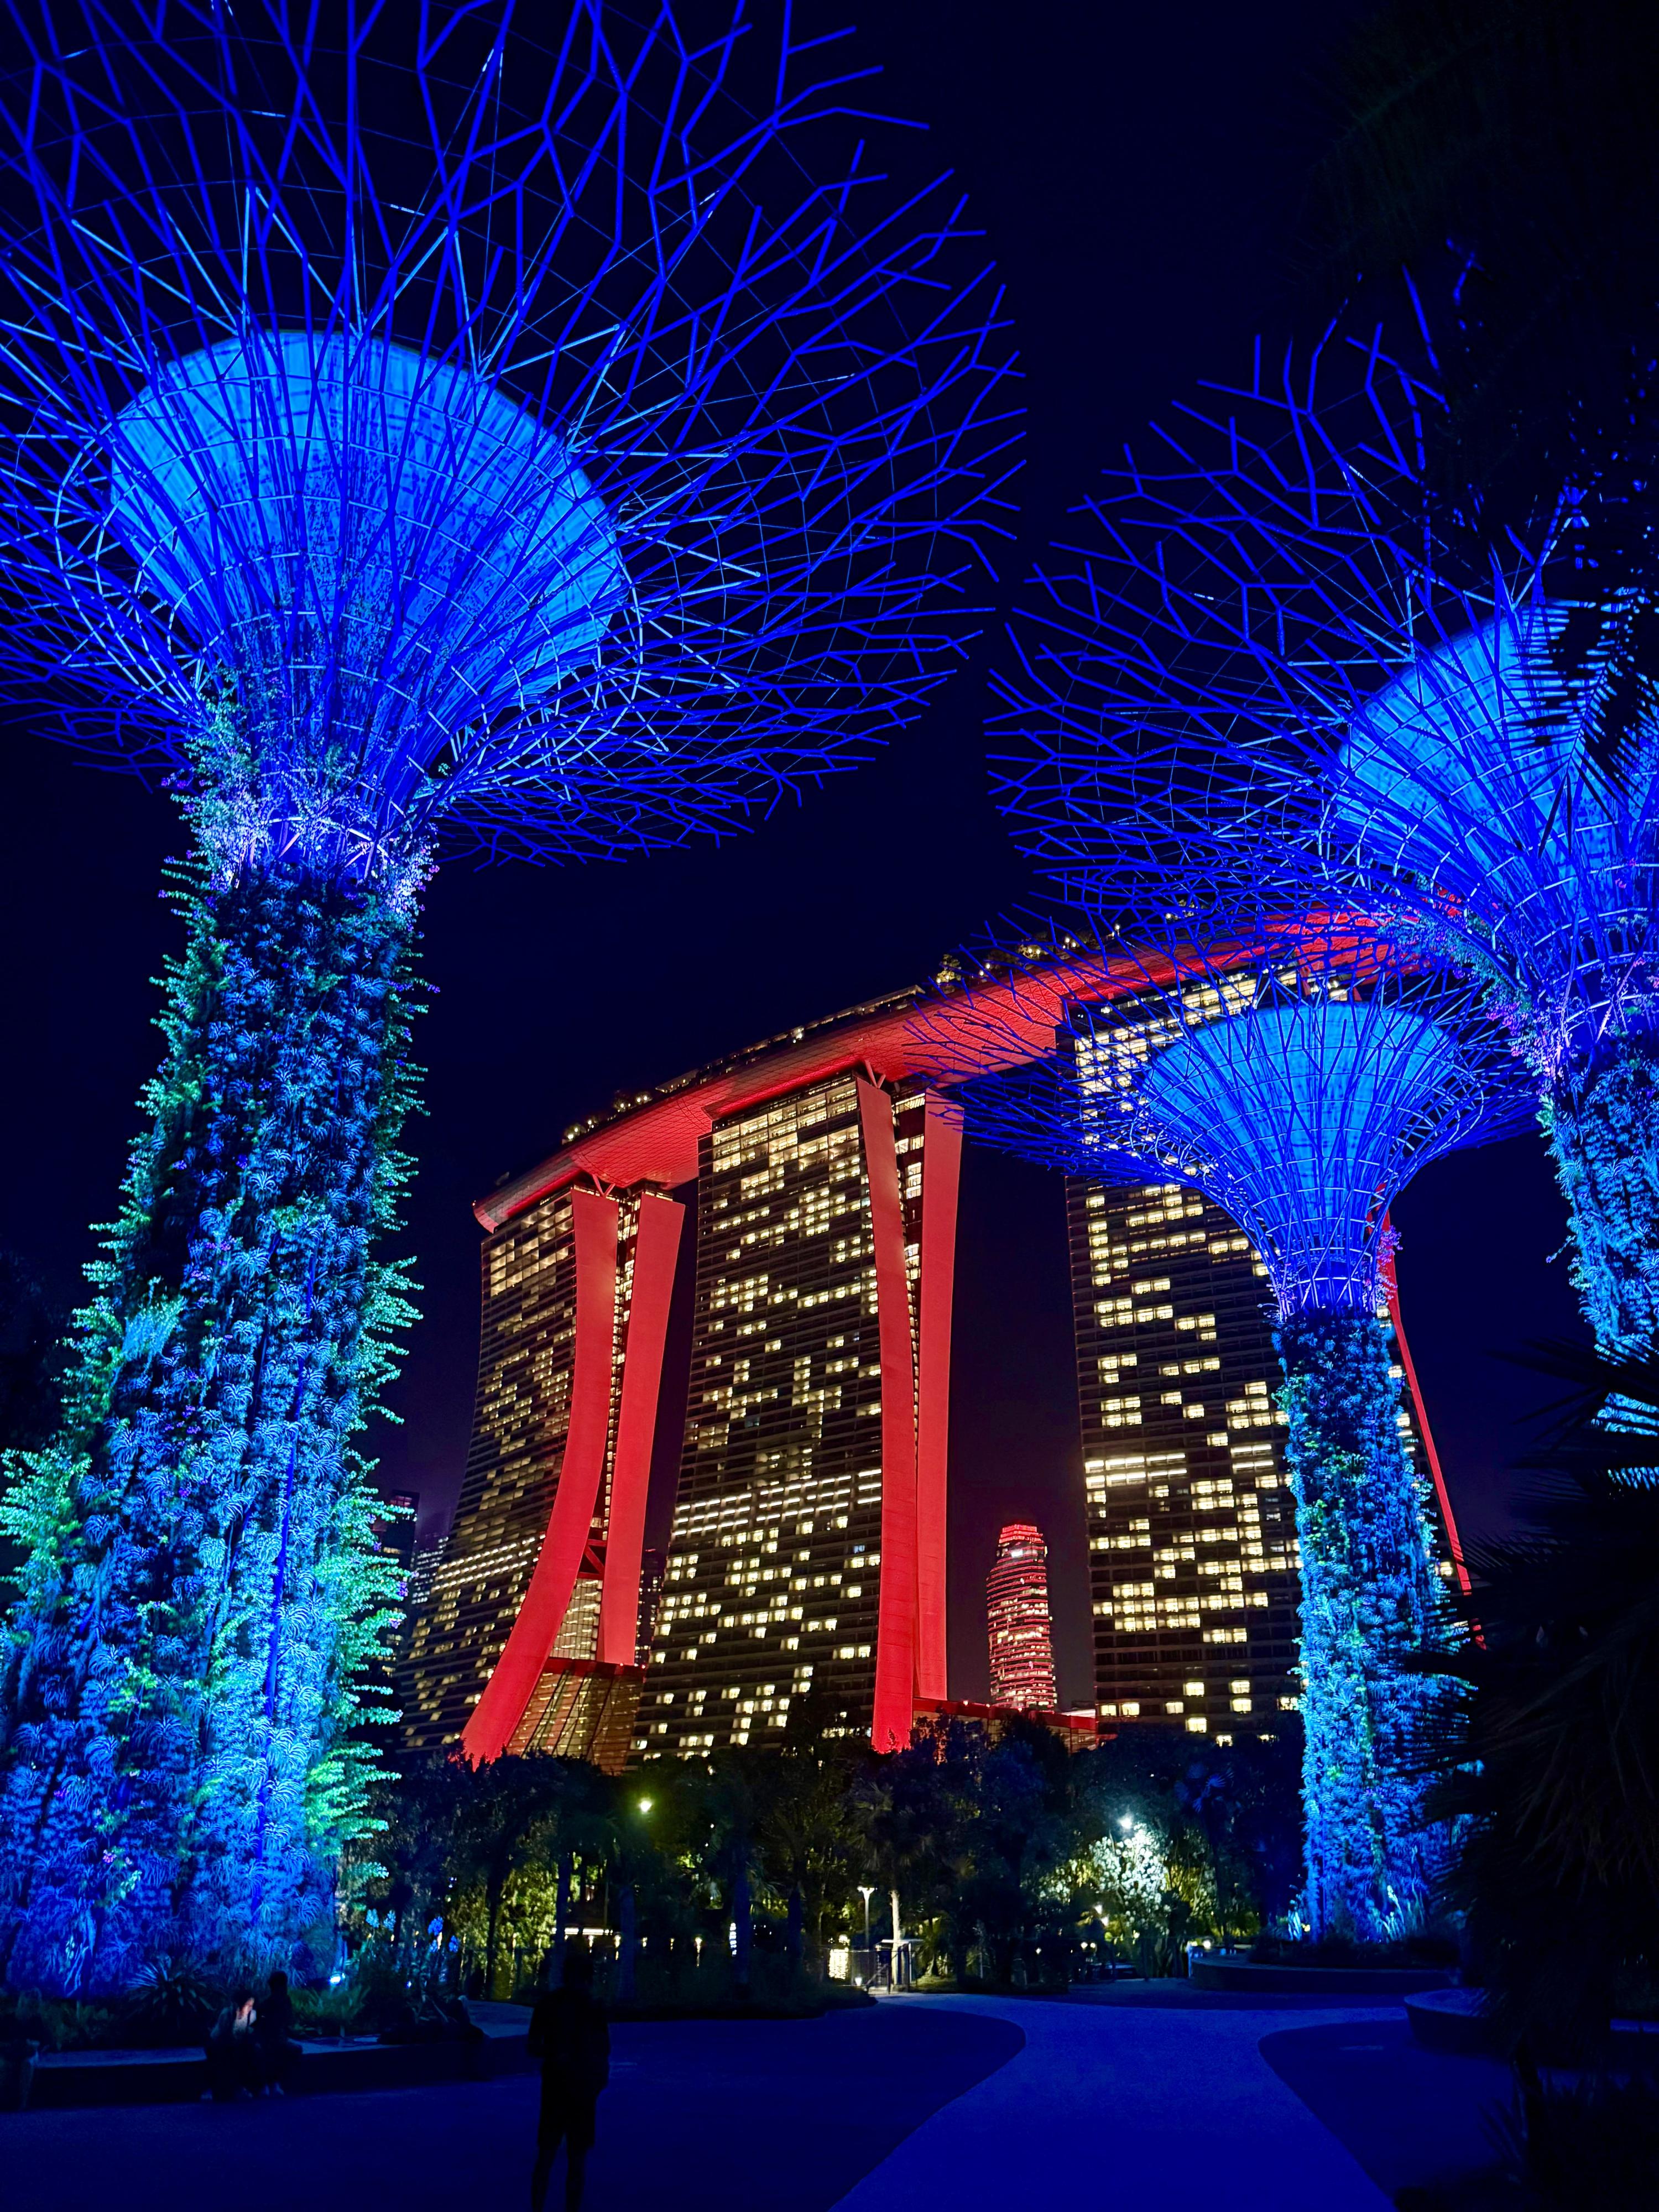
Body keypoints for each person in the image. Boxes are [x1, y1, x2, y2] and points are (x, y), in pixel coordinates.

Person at [527, 1942, 609, 2212]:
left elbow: (533, 2046)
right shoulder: (591, 2008)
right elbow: (604, 2050)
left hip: (560, 2088)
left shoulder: (551, 2005)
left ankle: (539, 2207)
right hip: (579, 2091)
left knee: (549, 2156)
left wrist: (555, 2054)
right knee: (574, 2160)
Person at [204, 1988, 260, 2100]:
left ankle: (244, 2087)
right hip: (218, 2045)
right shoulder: (227, 2014)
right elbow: (222, 2035)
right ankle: (216, 2089)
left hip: (234, 2044)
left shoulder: (251, 2014)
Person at [252, 1969, 301, 2094]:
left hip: (278, 2039)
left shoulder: (285, 2002)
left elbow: (286, 2023)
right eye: (283, 1985)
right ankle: (272, 2083)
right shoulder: (266, 2006)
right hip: (267, 2041)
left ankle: (279, 2083)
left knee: (293, 2049)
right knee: (276, 2051)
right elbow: (257, 2027)